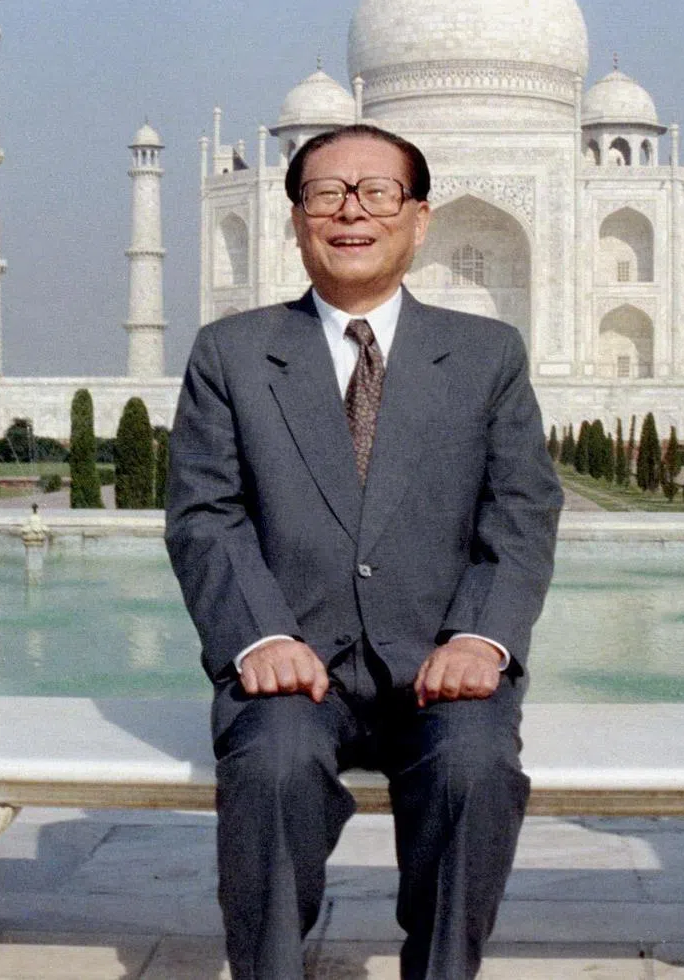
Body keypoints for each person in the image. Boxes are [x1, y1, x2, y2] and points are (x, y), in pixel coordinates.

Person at [165, 123, 562, 980]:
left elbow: (521, 510)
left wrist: (481, 638)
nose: (352, 212)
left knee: (475, 769)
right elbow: (206, 515)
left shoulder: (486, 354)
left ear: (420, 220)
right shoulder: (231, 354)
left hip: (438, 665)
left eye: (377, 192)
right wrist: (260, 635)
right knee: (271, 767)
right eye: (325, 193)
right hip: (293, 666)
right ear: (296, 219)